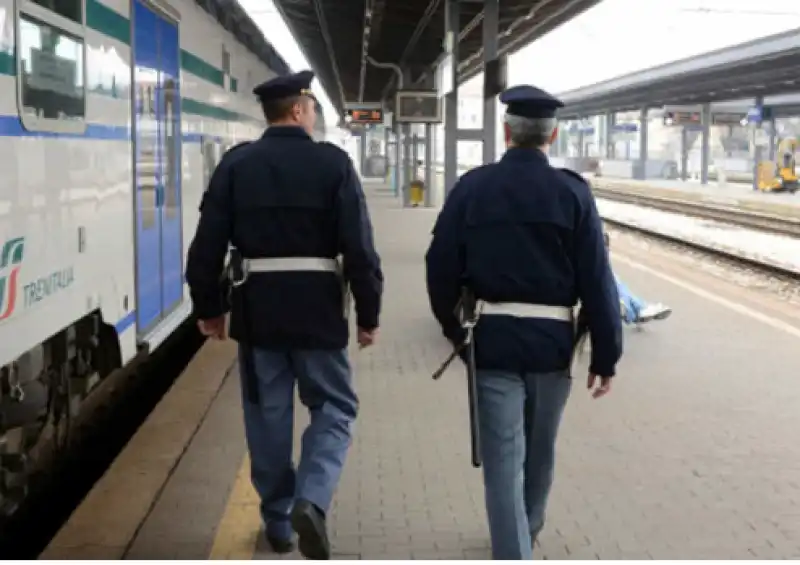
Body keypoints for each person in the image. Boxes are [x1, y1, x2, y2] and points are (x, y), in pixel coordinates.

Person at [185, 70, 383, 560]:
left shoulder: (237, 165)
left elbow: (205, 247)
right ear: (298, 110)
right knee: (335, 409)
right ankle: (312, 499)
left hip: (259, 315)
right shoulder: (334, 165)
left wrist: (209, 308)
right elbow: (360, 249)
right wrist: (368, 314)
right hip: (319, 314)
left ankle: (278, 521)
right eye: (312, 107)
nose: (314, 115)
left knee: (266, 419)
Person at [425, 84, 623, 560]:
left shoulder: (473, 188)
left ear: (507, 132)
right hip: (553, 343)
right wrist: (606, 355)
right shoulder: (573, 193)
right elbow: (598, 279)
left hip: (491, 341)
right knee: (540, 449)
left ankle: (515, 541)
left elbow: (439, 266)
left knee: (502, 457)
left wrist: (454, 331)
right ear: (552, 135)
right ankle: (523, 534)